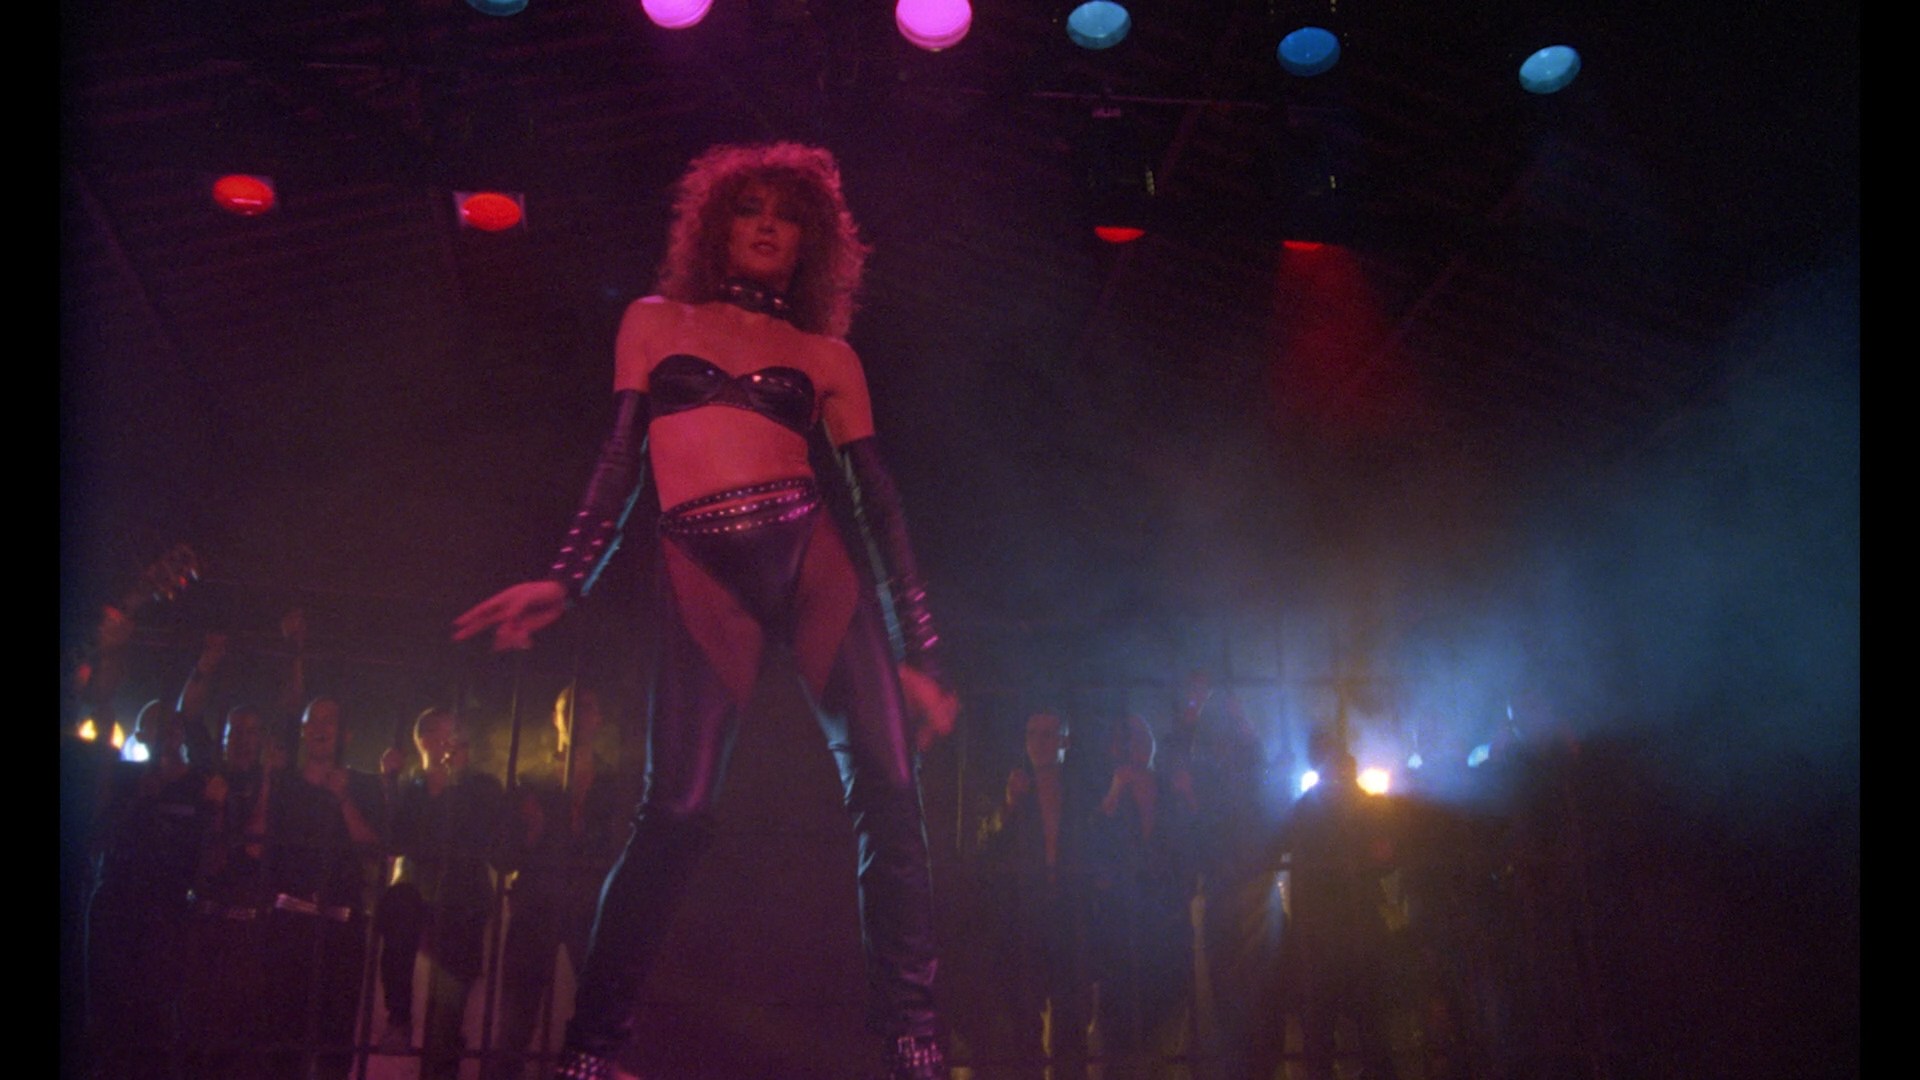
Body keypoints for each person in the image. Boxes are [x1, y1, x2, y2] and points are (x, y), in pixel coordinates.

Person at [452, 140, 960, 1080]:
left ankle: (912, 1036)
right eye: (750, 208)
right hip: (699, 561)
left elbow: (878, 504)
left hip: (808, 555)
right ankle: (592, 1048)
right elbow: (618, 464)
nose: (767, 225)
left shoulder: (827, 356)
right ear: (717, 225)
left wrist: (920, 650)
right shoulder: (654, 322)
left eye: (787, 215)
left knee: (892, 789)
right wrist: (566, 579)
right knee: (678, 812)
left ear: (810, 242)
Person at [482, 685, 637, 1080]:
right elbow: (502, 855)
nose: (578, 716)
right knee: (517, 1018)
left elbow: (626, 847)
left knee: (600, 1012)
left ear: (598, 719)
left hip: (592, 905)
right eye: (569, 708)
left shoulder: (616, 785)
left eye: (586, 707)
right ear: (555, 718)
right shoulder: (530, 780)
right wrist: (532, 831)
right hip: (539, 903)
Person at [375, 705, 509, 1080]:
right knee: (399, 902)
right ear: (424, 740)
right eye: (443, 734)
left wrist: (458, 782)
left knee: (445, 1024)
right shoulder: (411, 789)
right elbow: (392, 841)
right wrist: (388, 784)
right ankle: (399, 1019)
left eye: (456, 734)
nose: (451, 743)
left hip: (462, 905)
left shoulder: (480, 787)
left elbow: (488, 840)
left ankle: (441, 1061)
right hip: (417, 901)